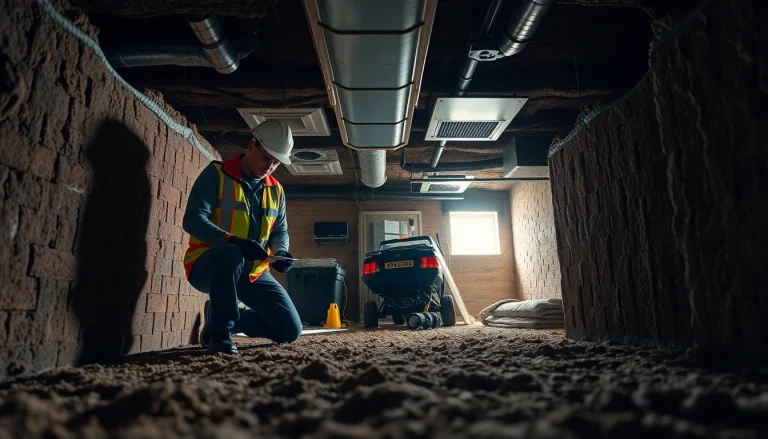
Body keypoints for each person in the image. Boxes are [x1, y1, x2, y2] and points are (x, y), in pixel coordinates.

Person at [182, 120, 301, 354]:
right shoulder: (216, 174)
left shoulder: (276, 189)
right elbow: (192, 219)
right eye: (266, 158)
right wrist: (231, 240)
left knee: (290, 330)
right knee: (231, 253)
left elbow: (279, 231)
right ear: (251, 146)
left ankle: (221, 317)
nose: (269, 166)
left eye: (276, 162)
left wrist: (280, 252)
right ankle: (220, 334)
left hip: (253, 272)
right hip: (209, 265)